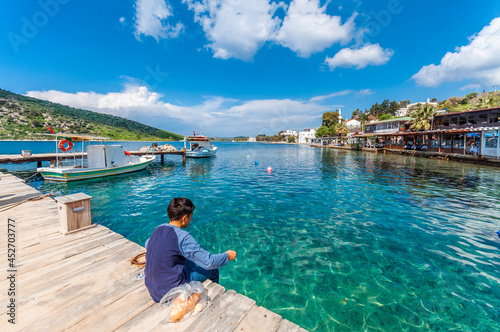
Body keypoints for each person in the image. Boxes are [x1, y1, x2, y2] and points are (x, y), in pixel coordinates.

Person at [144, 197, 237, 303]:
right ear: (184, 218)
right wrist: (227, 256)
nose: (191, 219)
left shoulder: (158, 228)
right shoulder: (183, 237)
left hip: (153, 290)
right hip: (170, 292)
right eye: (191, 216)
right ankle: (214, 298)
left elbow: (147, 244)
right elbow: (208, 262)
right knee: (213, 270)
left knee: (190, 261)